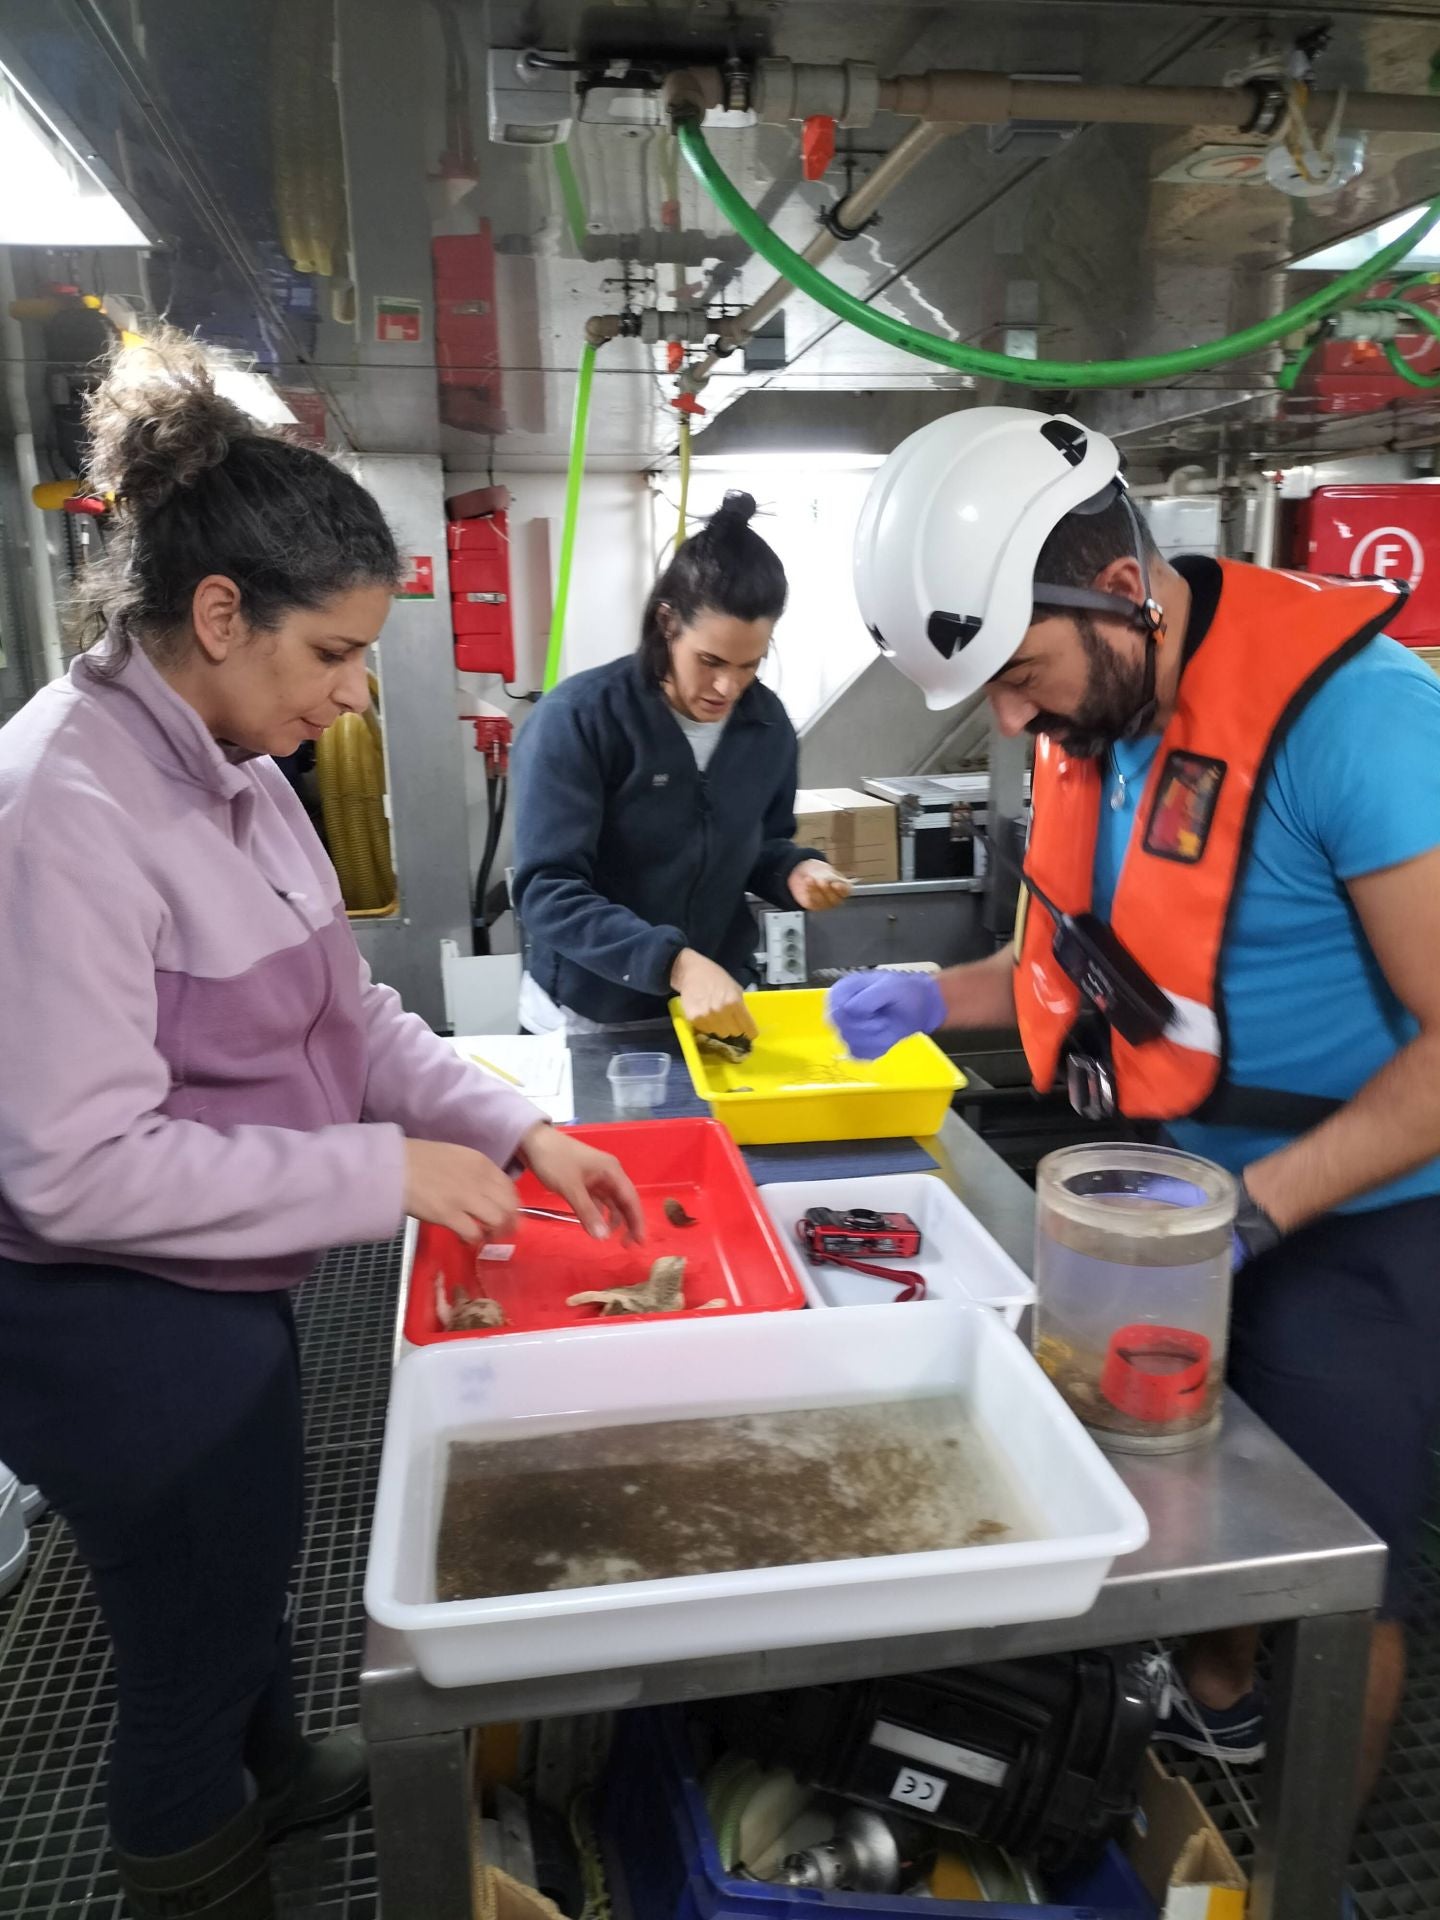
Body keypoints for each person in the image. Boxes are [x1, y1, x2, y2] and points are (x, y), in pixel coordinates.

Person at [0, 333, 644, 1920]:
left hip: (227, 1279)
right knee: (184, 1641)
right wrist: (378, 1171)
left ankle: (277, 1768)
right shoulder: (58, 812)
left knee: (250, 1559)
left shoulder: (237, 765)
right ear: (221, 614)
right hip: (99, 1317)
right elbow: (71, 1167)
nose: (356, 692)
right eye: (336, 653)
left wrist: (508, 1131)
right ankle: (200, 1864)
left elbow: (344, 1016)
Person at [831, 405, 1440, 1811]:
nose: (1010, 719)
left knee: (1335, 1577)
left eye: (1018, 675)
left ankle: (1303, 1864)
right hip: (1177, 1187)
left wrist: (1259, 1212)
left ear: (1119, 592)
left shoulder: (1360, 722)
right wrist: (933, 996)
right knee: (1183, 1489)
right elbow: (1107, 980)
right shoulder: (1100, 722)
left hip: (1363, 1218)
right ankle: (1215, 1704)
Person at [511, 493, 850, 1039]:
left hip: (714, 1009)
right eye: (710, 661)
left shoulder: (765, 727)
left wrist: (795, 871)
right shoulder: (580, 719)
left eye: (750, 665)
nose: (727, 687)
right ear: (667, 623)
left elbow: (760, 843)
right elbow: (547, 890)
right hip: (588, 1017)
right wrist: (674, 963)